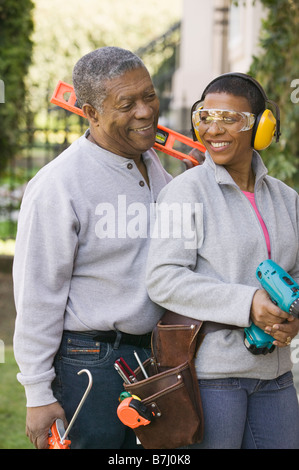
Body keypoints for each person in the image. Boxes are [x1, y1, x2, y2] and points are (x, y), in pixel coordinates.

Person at [13, 46, 176, 449]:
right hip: (90, 364)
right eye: (127, 103)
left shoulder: (153, 163)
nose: (145, 111)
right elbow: (37, 293)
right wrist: (38, 393)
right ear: (91, 112)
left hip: (152, 359)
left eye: (149, 96)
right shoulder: (59, 185)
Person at [146, 73, 299, 449]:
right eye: (206, 117)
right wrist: (247, 304)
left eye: (230, 119)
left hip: (276, 375)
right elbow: (164, 278)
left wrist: (292, 316)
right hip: (215, 378)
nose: (214, 129)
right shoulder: (186, 192)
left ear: (261, 127)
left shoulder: (285, 198)